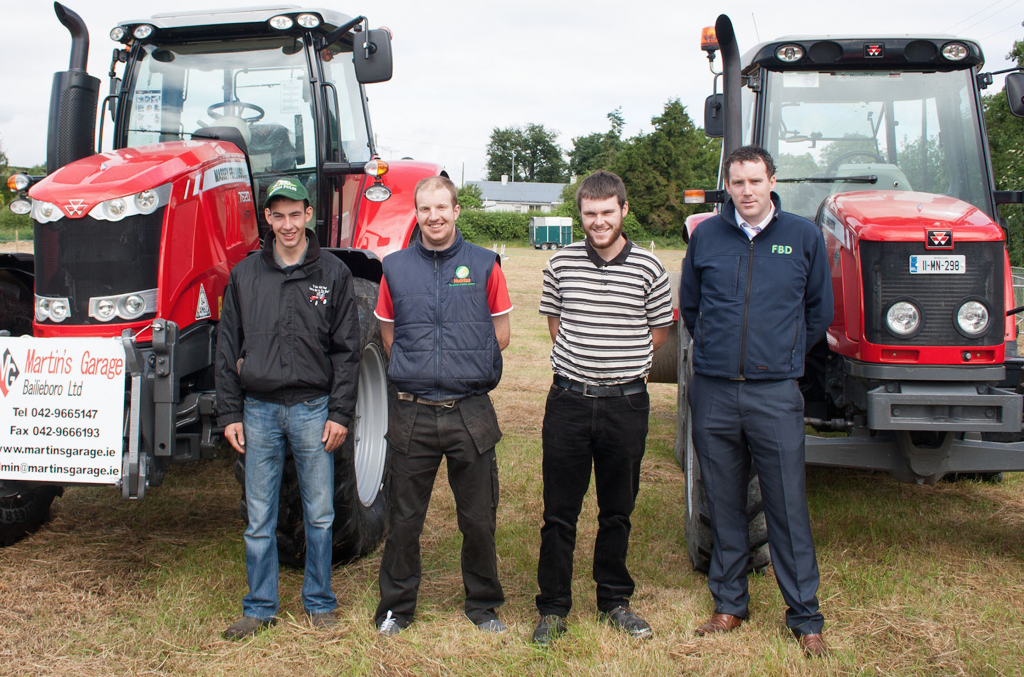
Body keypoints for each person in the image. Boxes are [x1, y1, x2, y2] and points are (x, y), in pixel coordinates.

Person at [679, 145, 833, 657]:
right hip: (716, 390)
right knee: (723, 501)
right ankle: (729, 604)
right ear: (728, 184)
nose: (746, 191)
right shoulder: (706, 237)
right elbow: (693, 308)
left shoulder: (803, 238)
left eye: (755, 181)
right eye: (737, 182)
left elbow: (818, 312)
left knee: (786, 504)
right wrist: (721, 356)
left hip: (774, 394)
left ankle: (804, 616)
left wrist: (780, 355)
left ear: (771, 181)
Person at [216, 177, 361, 640]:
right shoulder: (245, 275)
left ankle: (319, 602)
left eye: (295, 214)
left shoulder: (333, 273)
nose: (287, 224)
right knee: (260, 516)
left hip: (313, 410)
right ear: (267, 218)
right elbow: (226, 348)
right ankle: (259, 607)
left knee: (319, 513)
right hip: (257, 410)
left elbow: (347, 352)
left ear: (308, 214)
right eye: (277, 215)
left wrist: (340, 413)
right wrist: (228, 413)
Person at [532, 170, 674, 645]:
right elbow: (556, 324)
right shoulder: (560, 264)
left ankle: (614, 599)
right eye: (590, 214)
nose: (598, 222)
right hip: (569, 401)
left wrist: (619, 368)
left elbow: (657, 336)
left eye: (607, 212)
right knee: (559, 512)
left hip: (626, 404)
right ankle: (552, 607)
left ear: (623, 211)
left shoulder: (650, 270)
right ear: (581, 214)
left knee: (617, 509)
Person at [373, 175, 513, 635]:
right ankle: (396, 606)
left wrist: (460, 366)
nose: (434, 216)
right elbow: (389, 335)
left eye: (442, 208)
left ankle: (483, 604)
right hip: (411, 412)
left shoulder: (484, 264)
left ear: (456, 211)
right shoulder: (394, 268)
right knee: (403, 520)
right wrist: (420, 369)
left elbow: (502, 333)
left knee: (478, 519)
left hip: (469, 411)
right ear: (416, 214)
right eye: (425, 209)